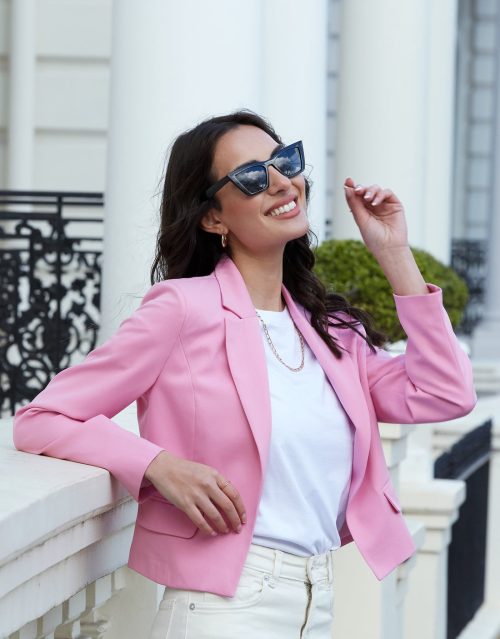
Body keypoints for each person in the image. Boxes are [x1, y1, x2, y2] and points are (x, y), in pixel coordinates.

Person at [13, 110, 476, 638]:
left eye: (285, 161)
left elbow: (446, 393)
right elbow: (42, 417)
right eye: (253, 177)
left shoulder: (333, 333)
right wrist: (157, 465)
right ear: (214, 218)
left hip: (316, 600)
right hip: (228, 607)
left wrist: (394, 254)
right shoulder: (183, 309)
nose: (281, 182)